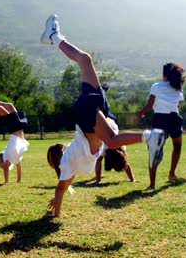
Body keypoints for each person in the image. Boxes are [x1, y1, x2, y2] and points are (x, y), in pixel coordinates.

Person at [40, 14, 166, 218]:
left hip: (88, 116)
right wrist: (56, 208)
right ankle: (53, 37)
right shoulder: (68, 165)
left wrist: (56, 211)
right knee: (85, 60)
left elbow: (61, 189)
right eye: (58, 149)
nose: (60, 147)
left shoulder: (69, 164)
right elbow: (61, 188)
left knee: (86, 61)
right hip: (92, 118)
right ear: (59, 155)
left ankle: (150, 137)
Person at [137, 63, 186, 190]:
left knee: (154, 151)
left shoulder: (156, 86)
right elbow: (177, 105)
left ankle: (152, 184)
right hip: (174, 118)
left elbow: (149, 106)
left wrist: (141, 113)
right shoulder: (177, 88)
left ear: (164, 75)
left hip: (160, 120)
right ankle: (172, 174)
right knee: (177, 146)